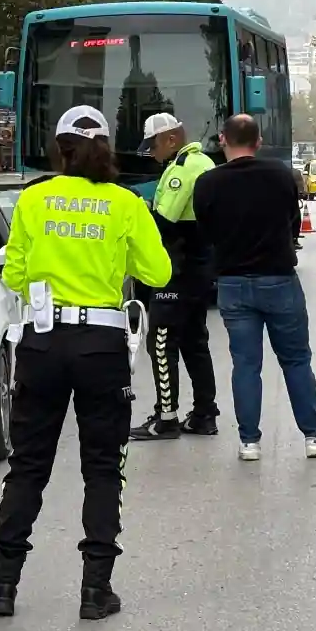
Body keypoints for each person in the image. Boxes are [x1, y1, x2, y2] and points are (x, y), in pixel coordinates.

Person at [0, 105, 172, 621]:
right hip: (101, 346)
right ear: (106, 147)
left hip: (43, 342)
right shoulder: (125, 203)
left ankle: (4, 586)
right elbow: (158, 271)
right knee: (103, 467)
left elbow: (15, 275)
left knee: (28, 465)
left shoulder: (34, 198)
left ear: (59, 148)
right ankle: (96, 590)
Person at [194, 114, 316, 463]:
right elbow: (293, 221)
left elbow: (206, 231)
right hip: (278, 280)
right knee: (296, 360)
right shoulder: (280, 175)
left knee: (246, 364)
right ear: (258, 142)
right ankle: (314, 436)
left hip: (232, 283)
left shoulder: (208, 183)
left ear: (222, 140)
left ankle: (249, 443)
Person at [129, 112, 220, 440]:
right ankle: (204, 414)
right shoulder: (205, 162)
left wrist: (140, 209)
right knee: (195, 341)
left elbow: (163, 223)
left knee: (161, 340)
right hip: (201, 267)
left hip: (177, 268)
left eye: (153, 145)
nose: (151, 153)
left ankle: (166, 417)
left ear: (170, 139)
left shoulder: (182, 169)